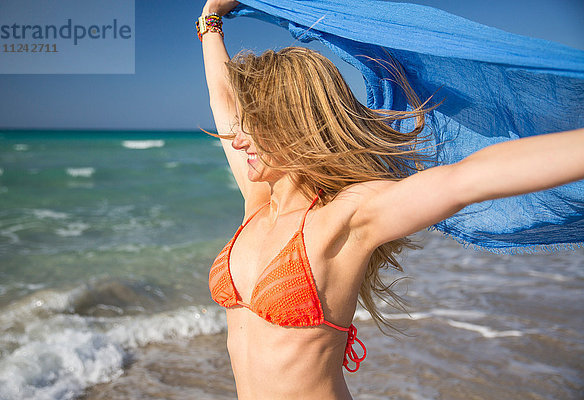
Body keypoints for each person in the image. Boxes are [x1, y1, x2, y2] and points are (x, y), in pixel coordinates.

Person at [199, 1, 584, 398]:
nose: (238, 138)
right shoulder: (257, 202)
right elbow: (222, 98)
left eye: (255, 125)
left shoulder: (348, 216)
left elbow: (464, 180)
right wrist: (211, 19)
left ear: (291, 125)